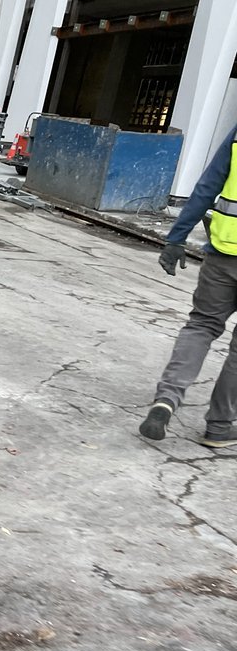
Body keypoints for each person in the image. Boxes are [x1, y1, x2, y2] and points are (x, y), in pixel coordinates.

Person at [140, 122, 237, 448]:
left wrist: (177, 237)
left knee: (201, 326)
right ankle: (220, 426)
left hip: (225, 252)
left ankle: (166, 400)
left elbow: (208, 185)